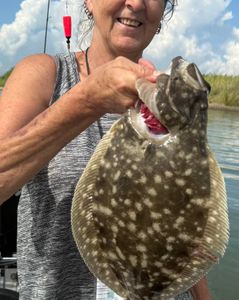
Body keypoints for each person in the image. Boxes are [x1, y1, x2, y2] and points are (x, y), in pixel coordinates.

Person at [0, 0, 212, 299]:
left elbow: (187, 223)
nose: (136, 3)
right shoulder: (45, 75)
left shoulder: (169, 103)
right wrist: (88, 100)